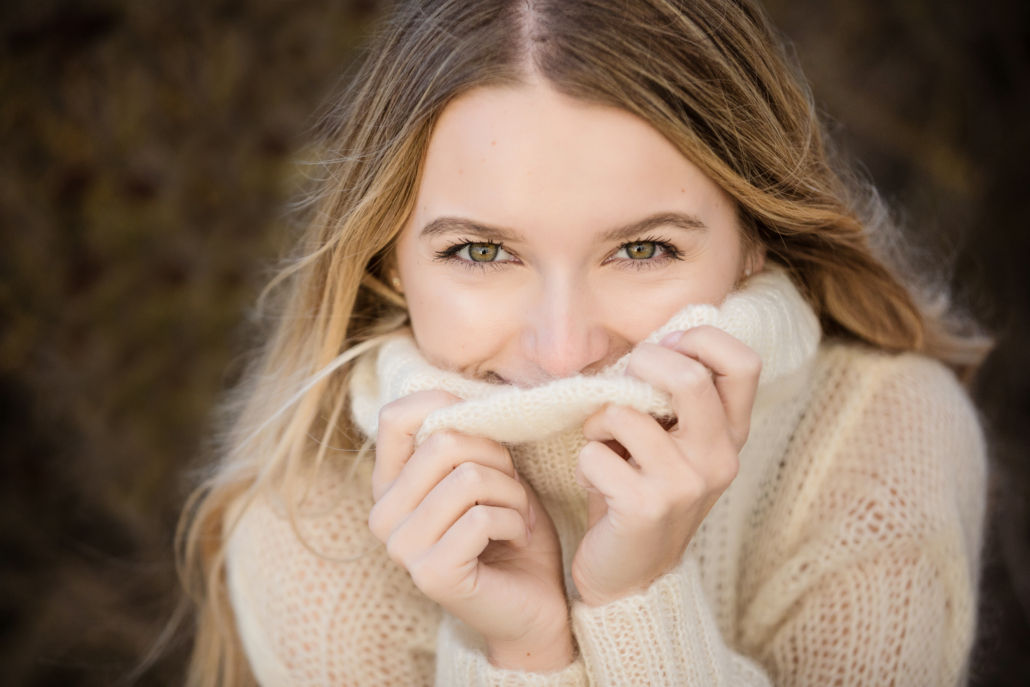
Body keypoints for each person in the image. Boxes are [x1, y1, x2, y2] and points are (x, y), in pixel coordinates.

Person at [177, 0, 991, 685]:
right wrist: (524, 651)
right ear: (388, 257)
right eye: (481, 252)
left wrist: (638, 599)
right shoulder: (309, 513)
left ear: (755, 237)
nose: (564, 352)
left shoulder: (884, 439)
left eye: (643, 250)